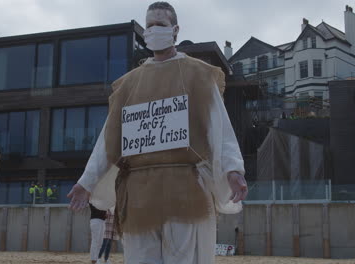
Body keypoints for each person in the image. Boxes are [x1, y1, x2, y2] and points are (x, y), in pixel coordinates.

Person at [67, 2, 248, 263]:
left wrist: (233, 169)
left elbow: (219, 127)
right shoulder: (128, 84)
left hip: (185, 190)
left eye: (160, 24)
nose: (153, 30)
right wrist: (86, 182)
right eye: (149, 25)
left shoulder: (198, 74)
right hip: (139, 195)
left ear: (175, 30)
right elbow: (109, 140)